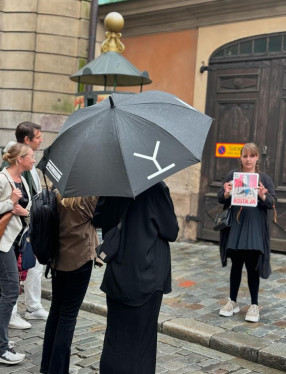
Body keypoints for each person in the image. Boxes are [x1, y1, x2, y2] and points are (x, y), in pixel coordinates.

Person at [93, 181, 179, 374]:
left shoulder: (111, 184)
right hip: (147, 275)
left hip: (117, 273)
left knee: (115, 338)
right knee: (141, 344)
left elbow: (98, 218)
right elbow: (171, 231)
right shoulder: (156, 187)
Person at [218, 143, 277, 322]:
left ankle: (254, 305)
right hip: (236, 226)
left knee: (252, 267)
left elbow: (273, 202)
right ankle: (233, 301)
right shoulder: (233, 176)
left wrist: (263, 196)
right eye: (245, 156)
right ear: (241, 158)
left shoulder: (264, 178)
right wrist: (227, 193)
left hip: (254, 229)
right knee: (236, 265)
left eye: (252, 156)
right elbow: (220, 197)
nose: (248, 159)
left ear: (257, 157)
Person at [40, 193, 98, 374]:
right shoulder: (89, 196)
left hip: (59, 259)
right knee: (68, 316)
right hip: (80, 260)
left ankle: (47, 365)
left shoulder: (57, 194)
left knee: (56, 311)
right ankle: (57, 370)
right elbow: (100, 219)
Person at [1, 121, 48, 329]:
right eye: (38, 136)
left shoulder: (28, 163)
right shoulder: (11, 169)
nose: (41, 140)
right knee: (12, 279)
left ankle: (33, 306)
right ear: (27, 140)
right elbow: (13, 201)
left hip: (27, 226)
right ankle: (11, 314)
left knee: (34, 265)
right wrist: (13, 205)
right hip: (11, 233)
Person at [0, 143, 34, 365]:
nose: (34, 158)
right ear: (19, 159)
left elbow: (27, 208)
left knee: (6, 291)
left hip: (16, 242)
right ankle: (2, 348)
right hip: (2, 242)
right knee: (12, 289)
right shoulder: (3, 179)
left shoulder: (25, 181)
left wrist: (25, 211)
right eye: (30, 156)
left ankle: (1, 341)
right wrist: (10, 203)